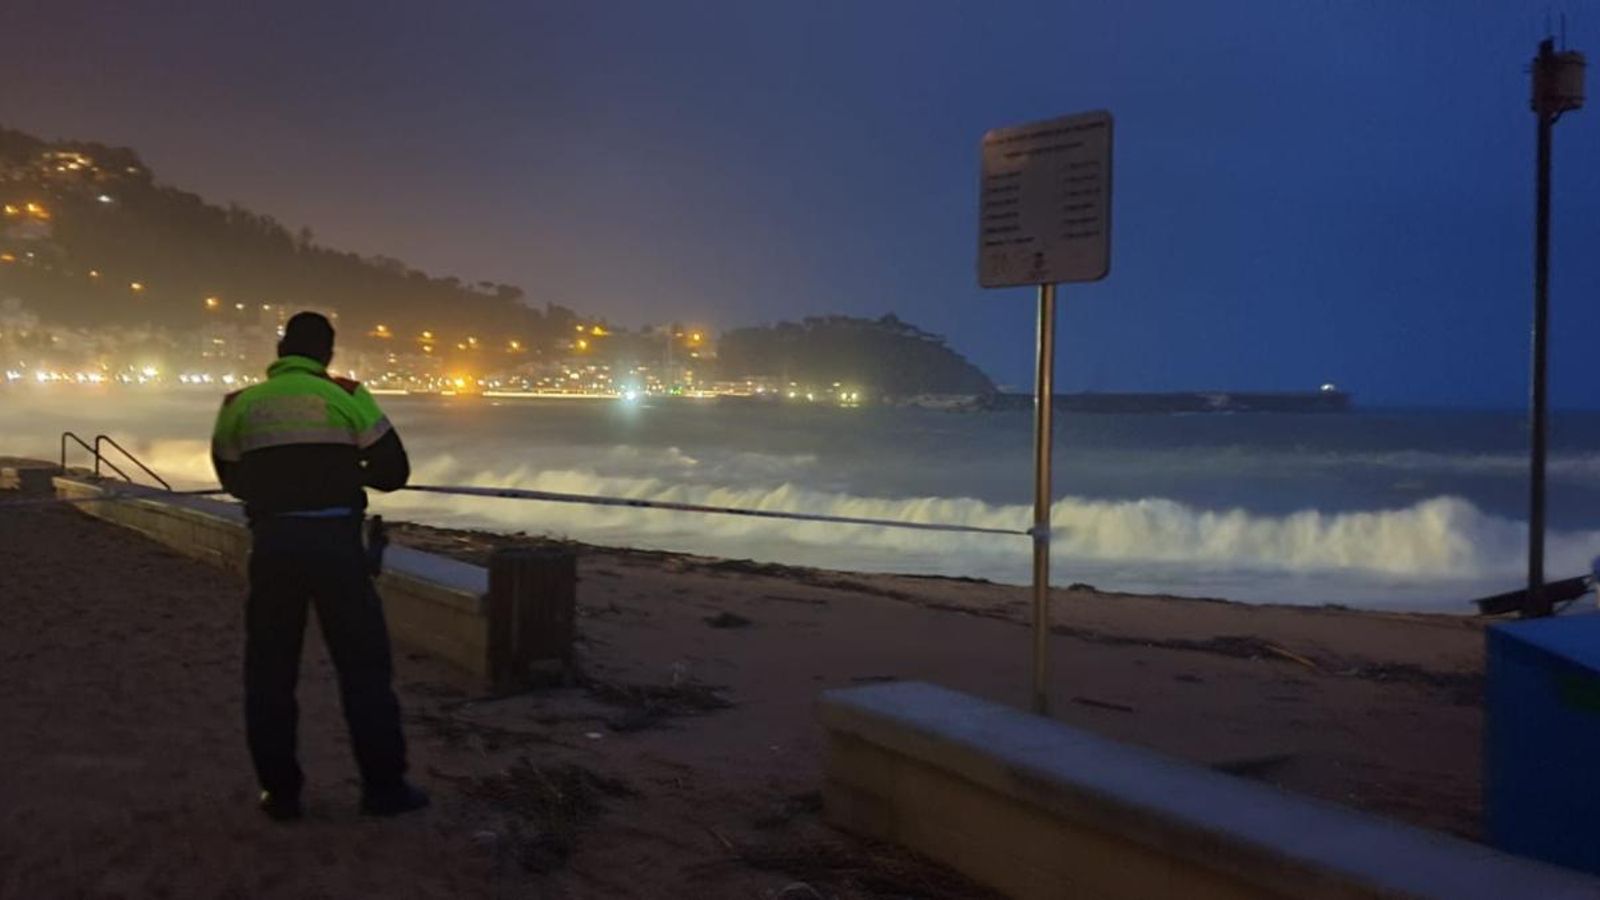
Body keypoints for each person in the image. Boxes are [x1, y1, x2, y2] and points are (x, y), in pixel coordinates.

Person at [211, 311, 428, 821]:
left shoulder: (239, 404)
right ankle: (383, 789)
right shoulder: (348, 395)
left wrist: (278, 488)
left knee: (270, 673)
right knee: (364, 671)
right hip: (337, 547)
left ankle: (281, 796)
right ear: (327, 354)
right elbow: (394, 472)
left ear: (282, 350)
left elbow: (232, 477)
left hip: (273, 544)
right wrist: (344, 468)